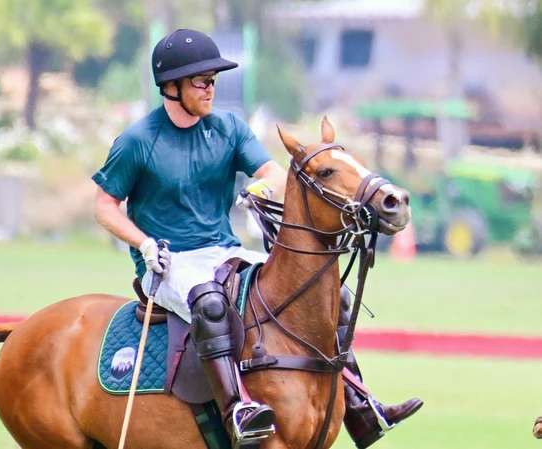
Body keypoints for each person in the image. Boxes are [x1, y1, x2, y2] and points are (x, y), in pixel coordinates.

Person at [93, 28, 422, 448]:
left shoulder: (229, 128)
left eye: (213, 80)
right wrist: (143, 243)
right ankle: (237, 409)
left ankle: (358, 403)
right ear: (171, 86)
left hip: (223, 250)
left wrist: (284, 189)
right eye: (201, 81)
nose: (210, 88)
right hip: (169, 260)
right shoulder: (139, 141)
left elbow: (270, 174)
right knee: (211, 303)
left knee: (327, 295)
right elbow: (104, 206)